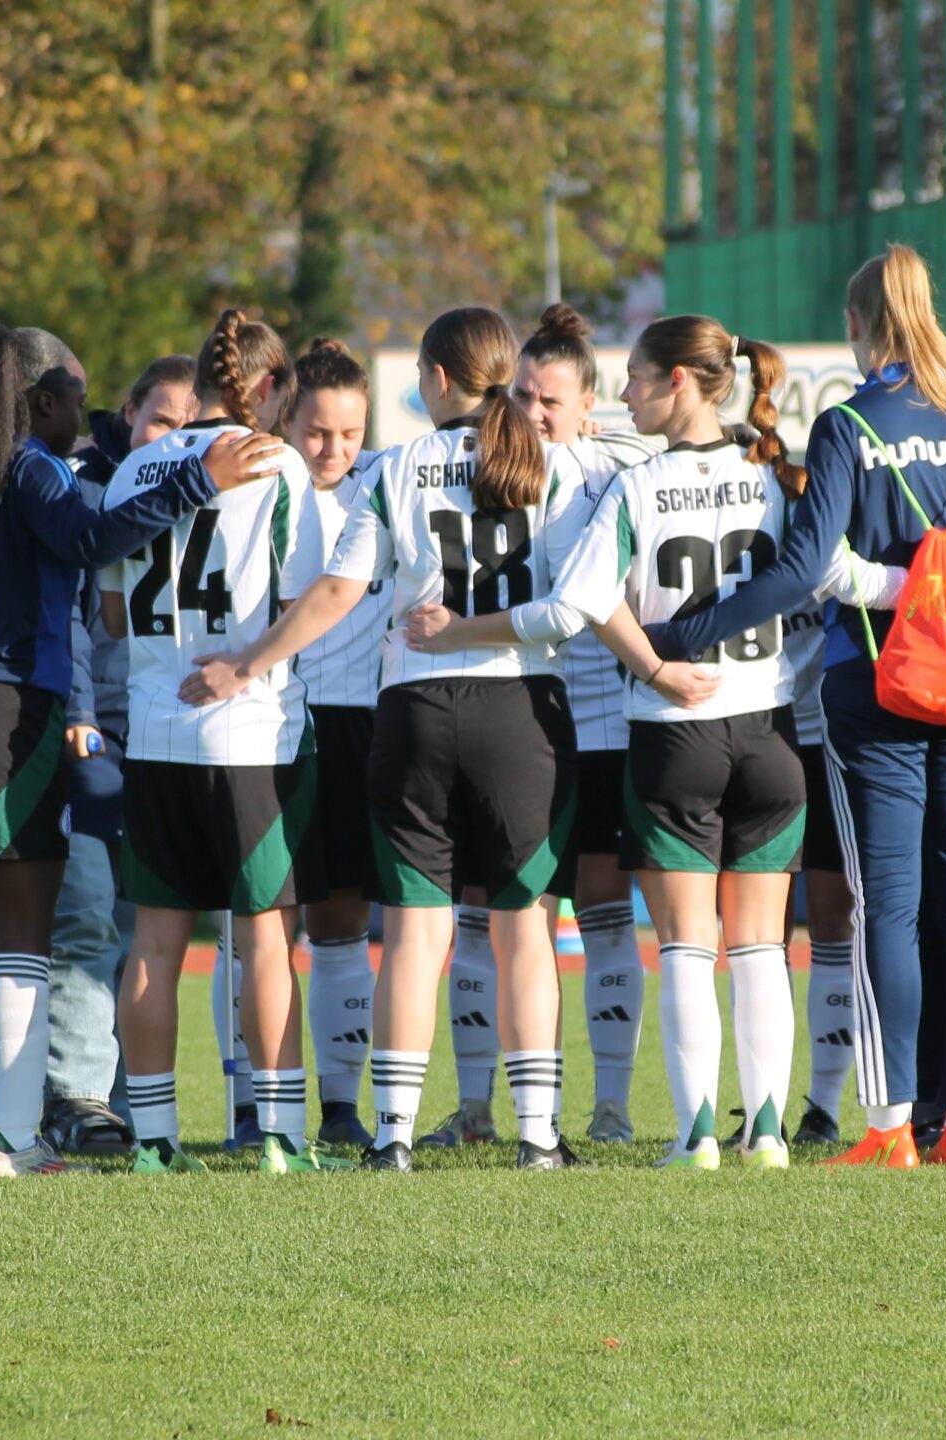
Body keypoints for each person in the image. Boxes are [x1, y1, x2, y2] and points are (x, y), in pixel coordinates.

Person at [639, 244, 946, 1170]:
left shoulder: (848, 426)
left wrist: (682, 637)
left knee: (889, 907)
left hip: (877, 689)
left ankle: (889, 1125)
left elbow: (799, 571)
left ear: (860, 326)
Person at [180, 306, 631, 1172]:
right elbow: (601, 570)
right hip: (523, 711)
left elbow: (338, 594)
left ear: (432, 379)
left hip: (417, 713)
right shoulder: (564, 461)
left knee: (416, 933)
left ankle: (391, 1135)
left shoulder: (398, 467)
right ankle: (538, 1134)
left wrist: (247, 661)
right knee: (523, 927)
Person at [0, 320, 279, 1178]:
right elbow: (91, 541)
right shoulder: (25, 467)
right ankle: (15, 1144)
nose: (82, 417)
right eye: (73, 400)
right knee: (21, 938)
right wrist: (200, 479)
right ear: (36, 401)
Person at [506, 315, 905, 1169]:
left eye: (637, 379)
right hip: (772, 735)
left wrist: (655, 669)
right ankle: (766, 1133)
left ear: (680, 382)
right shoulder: (778, 476)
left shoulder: (638, 487)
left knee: (688, 947)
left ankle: (696, 1140)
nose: (624, 395)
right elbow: (851, 579)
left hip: (673, 738)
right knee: (762, 948)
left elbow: (582, 601)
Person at [103, 308, 341, 1175]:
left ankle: (156, 1142)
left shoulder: (135, 466)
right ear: (270, 389)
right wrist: (242, 663)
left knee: (155, 943)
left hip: (155, 731)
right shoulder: (277, 467)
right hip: (251, 735)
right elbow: (310, 602)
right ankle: (279, 1134)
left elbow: (109, 600)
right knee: (267, 936)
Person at [495, 301, 659, 1148]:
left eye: (550, 401)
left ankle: (613, 1107)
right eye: (522, 395)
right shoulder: (485, 471)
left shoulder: (619, 470)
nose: (532, 413)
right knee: (498, 915)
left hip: (608, 727)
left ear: (588, 408)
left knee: (602, 912)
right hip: (515, 724)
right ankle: (483, 1108)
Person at [34, 353, 197, 1160]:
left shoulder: (216, 490)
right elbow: (64, 613)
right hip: (99, 730)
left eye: (189, 426)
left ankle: (140, 1103)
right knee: (87, 912)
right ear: (129, 412)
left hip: (174, 733)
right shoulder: (82, 486)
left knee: (149, 925)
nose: (174, 438)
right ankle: (76, 1098)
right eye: (162, 419)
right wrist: (78, 712)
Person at [279, 338, 385, 1148]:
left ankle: (342, 1106)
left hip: (366, 724)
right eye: (319, 432)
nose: (334, 450)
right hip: (278, 723)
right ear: (289, 419)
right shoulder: (264, 491)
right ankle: (253, 1105)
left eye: (350, 434)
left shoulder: (387, 483)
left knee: (345, 918)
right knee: (266, 919)